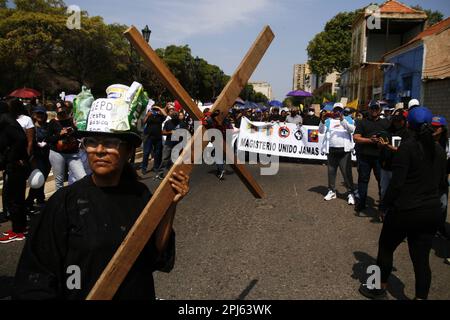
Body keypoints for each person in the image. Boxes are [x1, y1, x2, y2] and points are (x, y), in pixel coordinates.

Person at [13, 99, 190, 300]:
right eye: (92, 142)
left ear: (129, 151)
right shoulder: (65, 202)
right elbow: (36, 276)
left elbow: (156, 257)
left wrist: (170, 205)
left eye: (110, 143)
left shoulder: (140, 195)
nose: (99, 150)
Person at [359, 106, 447, 300]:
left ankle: (378, 288)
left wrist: (384, 206)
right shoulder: (440, 150)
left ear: (409, 124)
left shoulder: (407, 147)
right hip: (431, 211)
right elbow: (441, 183)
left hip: (406, 210)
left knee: (386, 247)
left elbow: (396, 184)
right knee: (422, 260)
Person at [353, 102, 390, 213]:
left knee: (381, 182)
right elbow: (356, 138)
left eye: (376, 108)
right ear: (368, 109)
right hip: (365, 157)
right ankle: (361, 203)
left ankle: (383, 204)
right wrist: (370, 140)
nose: (374, 110)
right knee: (363, 181)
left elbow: (392, 135)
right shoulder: (362, 122)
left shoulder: (386, 122)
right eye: (372, 108)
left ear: (379, 109)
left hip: (380, 157)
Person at [0, 101, 29, 243]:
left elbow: (21, 138)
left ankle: (17, 231)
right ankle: (20, 228)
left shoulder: (5, 120)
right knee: (16, 198)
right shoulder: (8, 119)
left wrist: (12, 157)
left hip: (16, 166)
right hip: (17, 164)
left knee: (13, 199)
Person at [319, 103, 356, 205]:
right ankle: (332, 191)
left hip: (344, 151)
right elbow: (321, 131)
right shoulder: (328, 121)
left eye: (339, 110)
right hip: (331, 150)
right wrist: (322, 120)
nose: (337, 112)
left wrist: (342, 119)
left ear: (342, 110)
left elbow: (352, 129)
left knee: (346, 173)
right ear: (333, 110)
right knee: (331, 171)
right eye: (335, 110)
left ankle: (350, 193)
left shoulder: (348, 119)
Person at [377, 110, 409, 221]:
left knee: (398, 192)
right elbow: (381, 147)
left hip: (399, 168)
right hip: (385, 166)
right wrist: (380, 145)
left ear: (404, 121)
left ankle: (397, 214)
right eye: (394, 120)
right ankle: (383, 212)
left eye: (399, 120)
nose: (396, 123)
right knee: (384, 190)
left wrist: (388, 146)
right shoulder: (387, 131)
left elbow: (403, 151)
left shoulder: (407, 134)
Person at [47, 103, 86, 190]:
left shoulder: (72, 120)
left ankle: (80, 198)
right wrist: (59, 134)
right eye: (59, 111)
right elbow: (48, 139)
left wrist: (75, 128)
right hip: (57, 153)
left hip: (73, 154)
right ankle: (59, 201)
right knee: (59, 180)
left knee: (82, 177)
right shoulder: (53, 122)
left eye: (63, 111)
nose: (62, 113)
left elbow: (79, 136)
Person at [25, 106, 51, 211]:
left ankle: (40, 199)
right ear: (34, 115)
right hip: (36, 157)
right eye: (38, 113)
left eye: (42, 113)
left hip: (47, 155)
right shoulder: (32, 127)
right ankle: (29, 201)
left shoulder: (48, 126)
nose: (40, 115)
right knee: (37, 179)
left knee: (43, 178)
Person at [431, 115, 450, 240]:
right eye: (432, 127)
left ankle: (440, 227)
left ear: (442, 129)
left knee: (442, 205)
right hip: (427, 180)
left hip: (442, 180)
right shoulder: (425, 141)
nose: (434, 129)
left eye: (437, 127)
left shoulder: (447, 144)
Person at [155, 112, 183, 180]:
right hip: (168, 143)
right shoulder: (168, 122)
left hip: (178, 144)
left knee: (175, 160)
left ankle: (174, 174)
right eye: (174, 118)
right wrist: (170, 132)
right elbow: (163, 132)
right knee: (165, 159)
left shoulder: (181, 123)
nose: (175, 119)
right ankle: (159, 174)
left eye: (176, 117)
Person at [141, 105, 167, 175]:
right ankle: (144, 168)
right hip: (149, 137)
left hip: (157, 137)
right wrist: (147, 115)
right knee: (146, 153)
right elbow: (143, 122)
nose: (155, 111)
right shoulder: (149, 115)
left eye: (156, 110)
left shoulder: (160, 117)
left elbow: (165, 115)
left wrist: (159, 108)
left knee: (157, 153)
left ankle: (156, 167)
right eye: (154, 109)